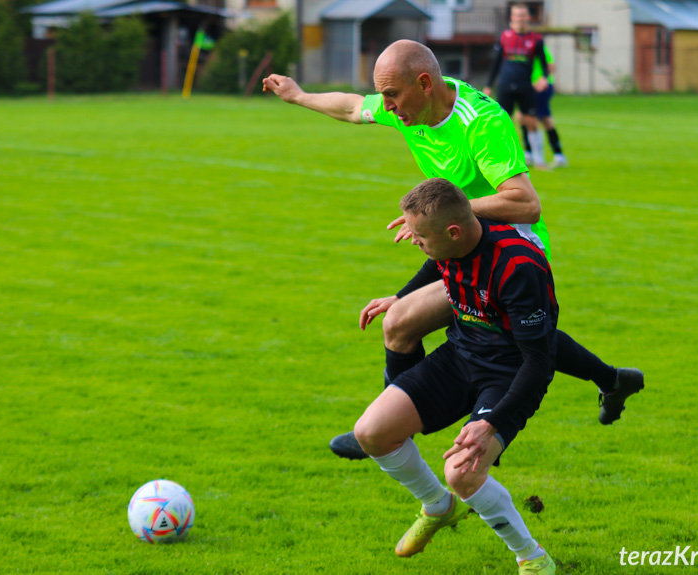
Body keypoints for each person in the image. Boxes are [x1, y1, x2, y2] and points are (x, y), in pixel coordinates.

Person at [261, 39, 643, 462]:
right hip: (460, 244)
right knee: (421, 323)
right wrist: (298, 95)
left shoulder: (481, 124)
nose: (385, 107)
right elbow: (352, 107)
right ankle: (612, 380)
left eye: (392, 95)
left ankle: (393, 426)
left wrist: (441, 215)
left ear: (424, 83)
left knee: (448, 326)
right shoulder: (408, 106)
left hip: (512, 252)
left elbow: (525, 203)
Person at [354, 178, 557, 574]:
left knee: (462, 471)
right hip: (459, 356)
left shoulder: (519, 266)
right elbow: (438, 260)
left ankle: (532, 556)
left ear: (453, 231)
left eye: (420, 235)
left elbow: (539, 362)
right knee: (371, 431)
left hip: (509, 373)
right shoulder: (453, 241)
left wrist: (491, 424)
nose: (414, 241)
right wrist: (402, 296)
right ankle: (438, 506)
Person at [483, 3, 550, 170]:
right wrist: (489, 85)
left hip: (525, 85)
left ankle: (539, 159)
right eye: (517, 15)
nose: (520, 18)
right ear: (512, 17)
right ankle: (505, 160)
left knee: (531, 121)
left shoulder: (536, 39)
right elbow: (497, 63)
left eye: (523, 15)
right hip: (505, 85)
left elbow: (544, 63)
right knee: (503, 122)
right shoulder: (504, 37)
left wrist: (544, 78)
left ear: (527, 17)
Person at [520, 44, 568, 169]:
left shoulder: (536, 45)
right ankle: (529, 153)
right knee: (522, 117)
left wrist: (542, 80)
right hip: (526, 88)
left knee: (543, 119)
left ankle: (558, 155)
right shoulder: (517, 49)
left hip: (541, 88)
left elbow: (551, 66)